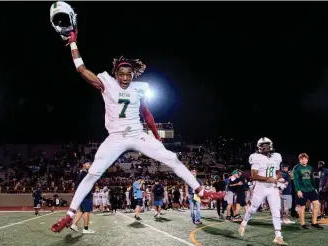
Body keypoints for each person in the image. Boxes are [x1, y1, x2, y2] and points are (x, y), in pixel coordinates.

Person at [50, 29, 224, 232]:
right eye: (121, 74)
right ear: (115, 74)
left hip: (137, 134)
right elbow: (81, 69)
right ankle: (69, 214)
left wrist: (157, 137)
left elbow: (147, 114)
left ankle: (201, 191)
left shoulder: (139, 88)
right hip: (115, 137)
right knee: (93, 173)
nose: (125, 77)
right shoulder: (106, 83)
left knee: (171, 158)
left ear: (133, 74)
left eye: (128, 74)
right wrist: (73, 43)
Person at [238, 137, 288, 246]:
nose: (265, 147)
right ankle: (244, 223)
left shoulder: (276, 157)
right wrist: (268, 179)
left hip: (272, 188)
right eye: (262, 145)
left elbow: (278, 172)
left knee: (276, 211)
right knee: (253, 208)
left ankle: (278, 236)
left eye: (266, 145)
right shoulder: (256, 158)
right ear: (259, 147)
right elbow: (254, 176)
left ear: (270, 145)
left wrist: (278, 179)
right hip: (261, 187)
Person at [292, 153, 323, 230]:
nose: (303, 160)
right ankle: (303, 224)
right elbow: (295, 180)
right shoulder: (296, 168)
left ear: (307, 159)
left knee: (317, 204)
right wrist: (298, 190)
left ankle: (314, 222)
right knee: (302, 207)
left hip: (311, 189)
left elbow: (312, 179)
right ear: (299, 160)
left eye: (305, 158)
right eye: (302, 159)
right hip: (302, 190)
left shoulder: (310, 167)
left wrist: (314, 188)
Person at [70, 159, 95, 234]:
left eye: (89, 164)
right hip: (85, 194)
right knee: (86, 211)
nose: (89, 165)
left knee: (82, 210)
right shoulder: (84, 173)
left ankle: (74, 224)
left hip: (82, 194)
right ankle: (86, 229)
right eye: (87, 164)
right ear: (83, 164)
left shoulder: (82, 173)